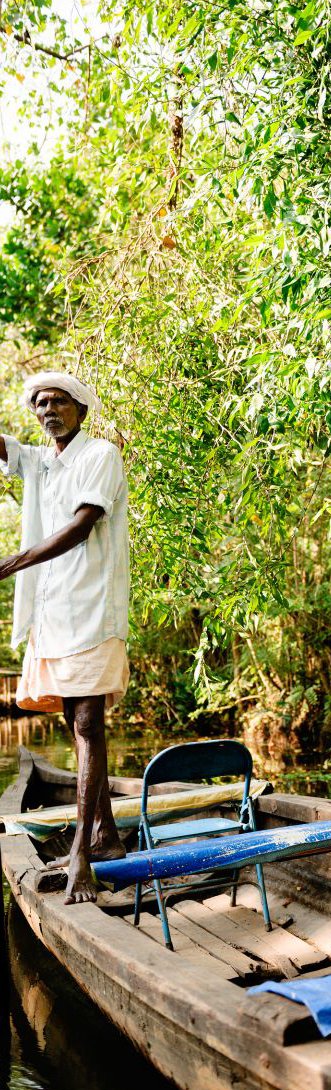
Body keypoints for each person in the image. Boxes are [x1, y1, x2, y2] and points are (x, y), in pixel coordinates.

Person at [0, 371, 129, 904]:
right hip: (53, 615)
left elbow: (81, 526)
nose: (47, 410)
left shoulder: (99, 454)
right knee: (70, 720)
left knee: (87, 723)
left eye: (57, 402)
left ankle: (81, 853)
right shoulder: (40, 461)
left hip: (92, 608)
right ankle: (106, 835)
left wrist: (12, 563)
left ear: (80, 408)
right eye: (39, 404)